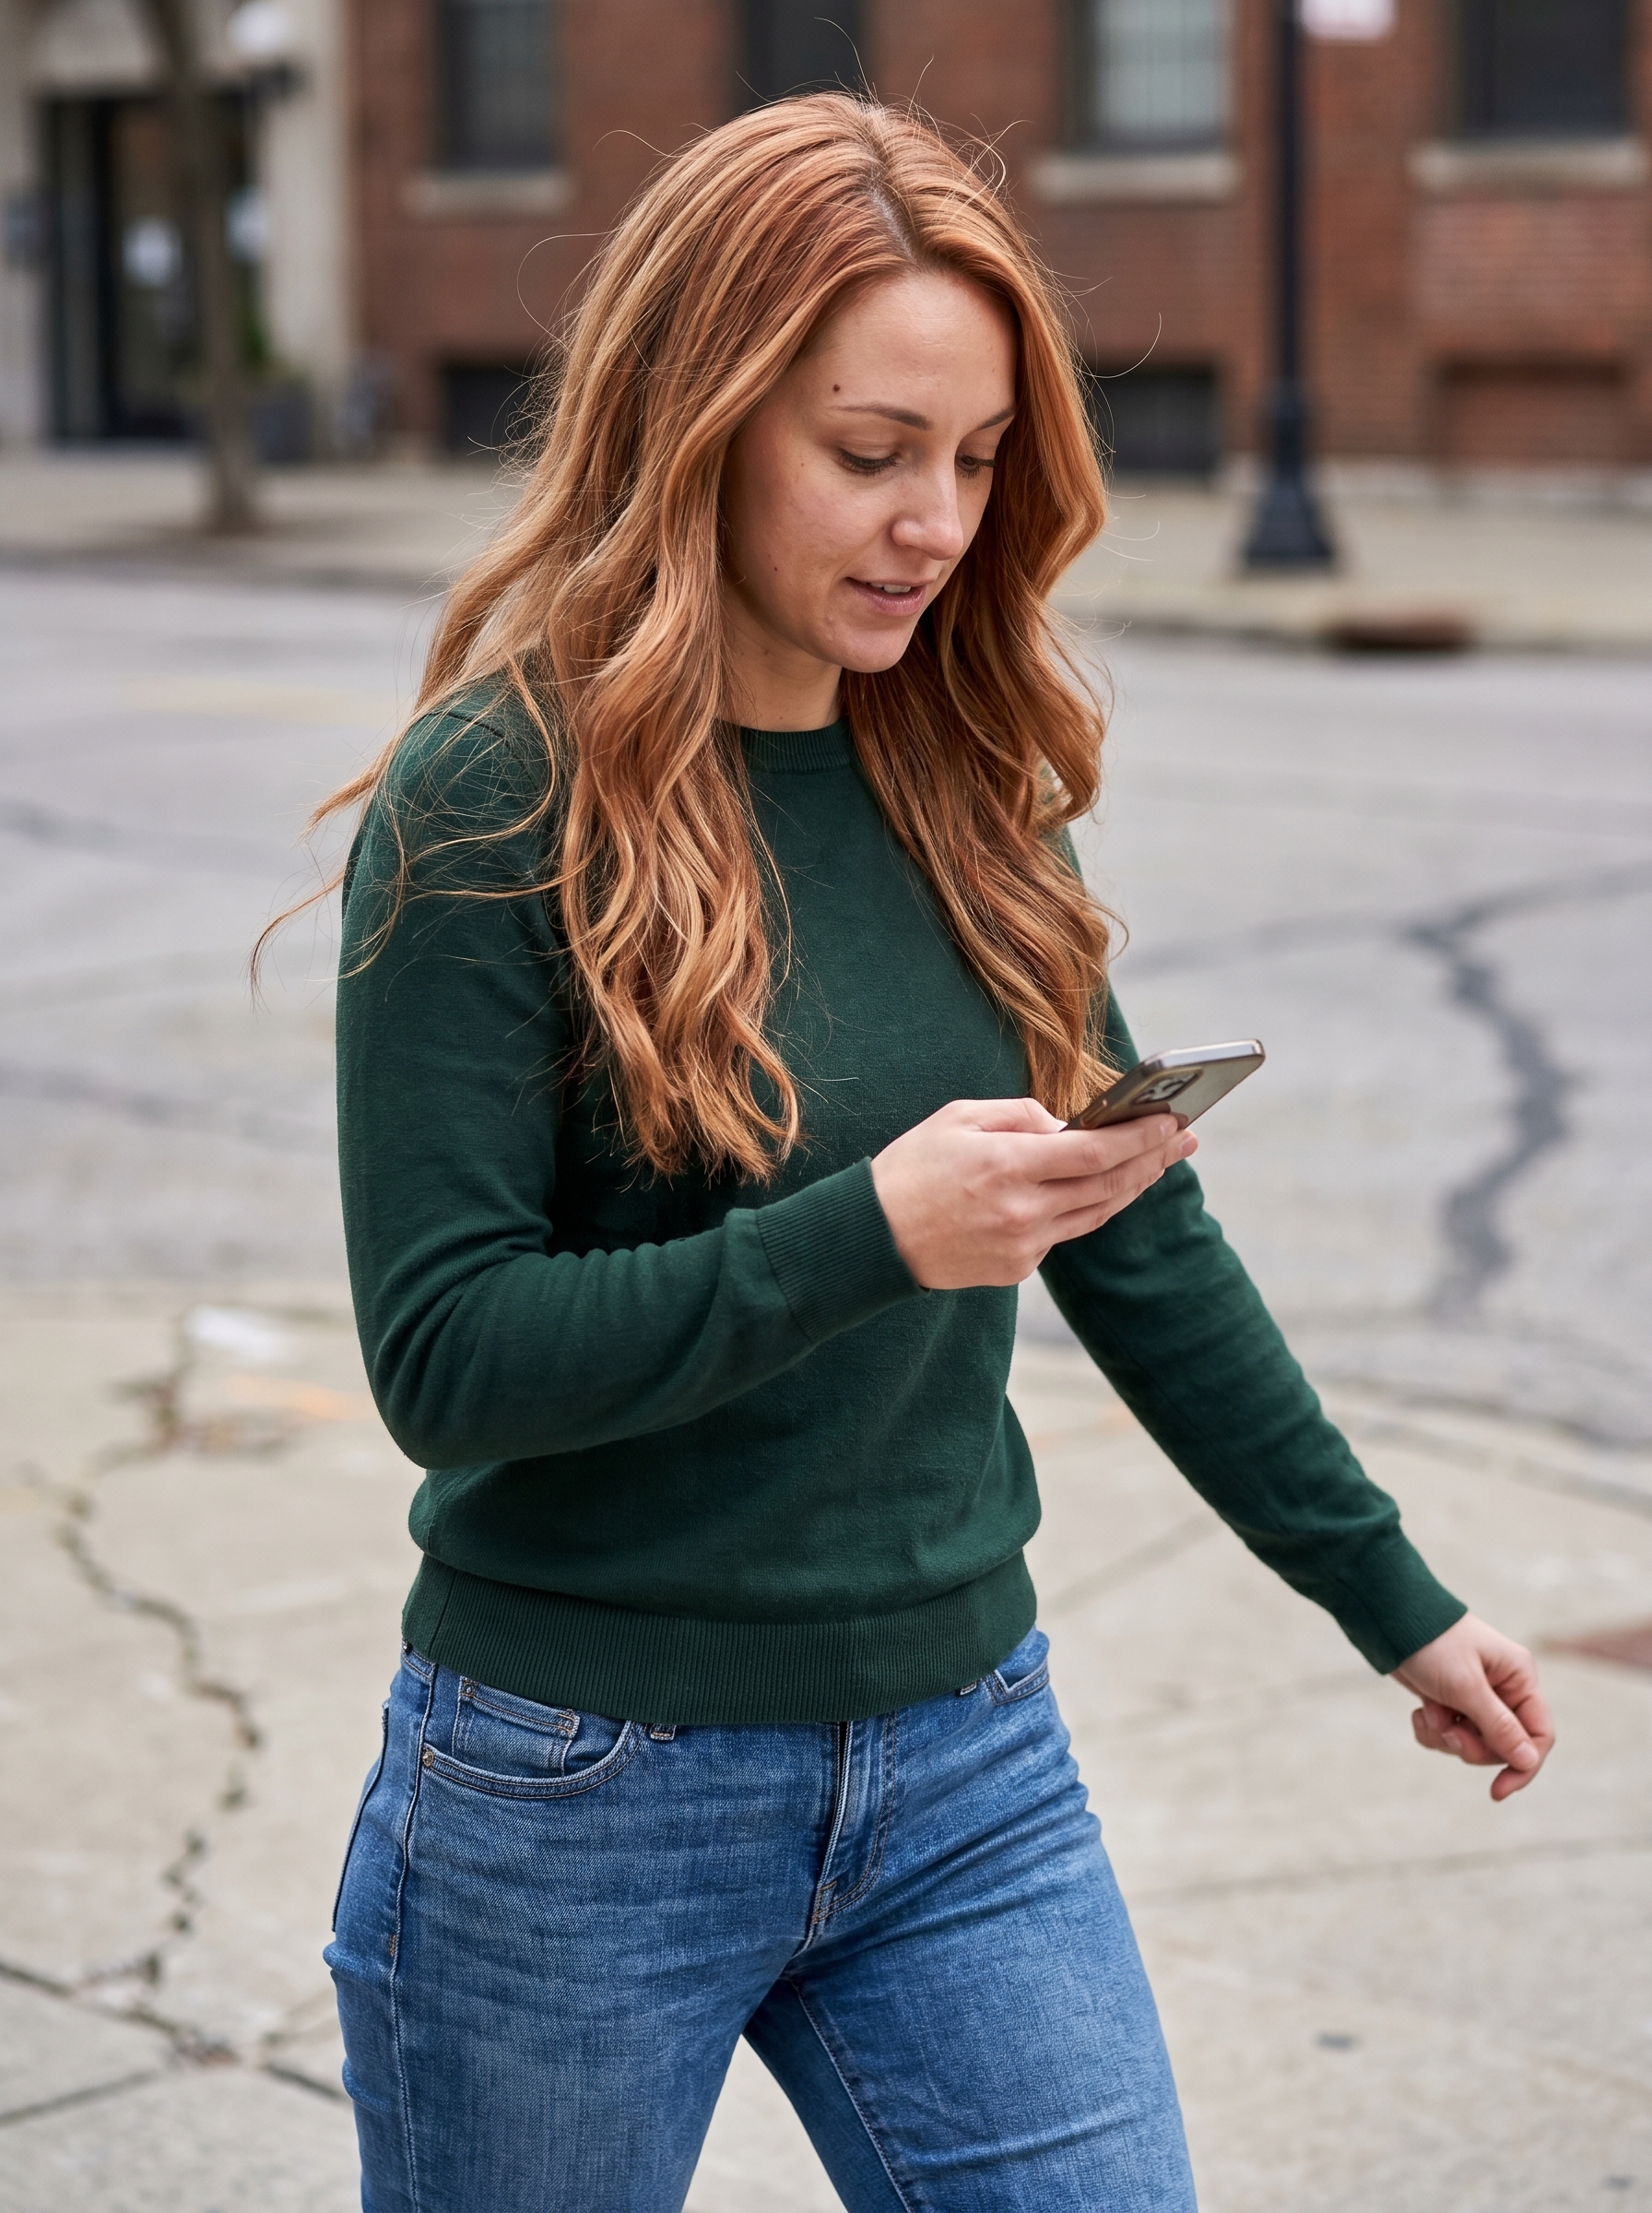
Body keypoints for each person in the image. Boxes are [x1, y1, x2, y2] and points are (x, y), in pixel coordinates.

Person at [310, 95, 1552, 2213]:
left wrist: (1384, 1597)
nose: (932, 524)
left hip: (965, 1760)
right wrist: (869, 1232)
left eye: (974, 462)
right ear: (693, 426)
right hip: (578, 1790)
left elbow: (1139, 1243)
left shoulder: (962, 774)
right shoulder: (489, 798)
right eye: (869, 454)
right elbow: (447, 1357)